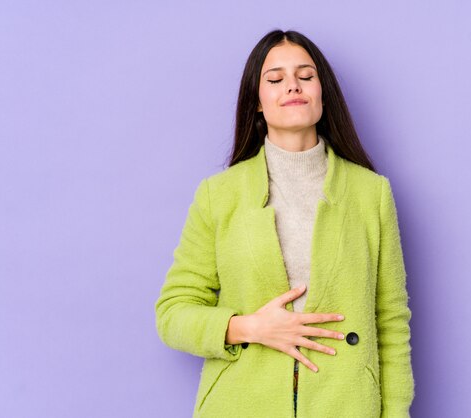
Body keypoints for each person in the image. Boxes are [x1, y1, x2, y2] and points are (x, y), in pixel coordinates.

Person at [155, 29, 414, 418]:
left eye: (305, 76)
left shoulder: (371, 193)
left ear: (322, 93)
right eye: (275, 79)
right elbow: (172, 314)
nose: (292, 85)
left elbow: (391, 321)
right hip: (241, 404)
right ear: (257, 102)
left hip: (346, 403)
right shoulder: (219, 195)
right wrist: (250, 328)